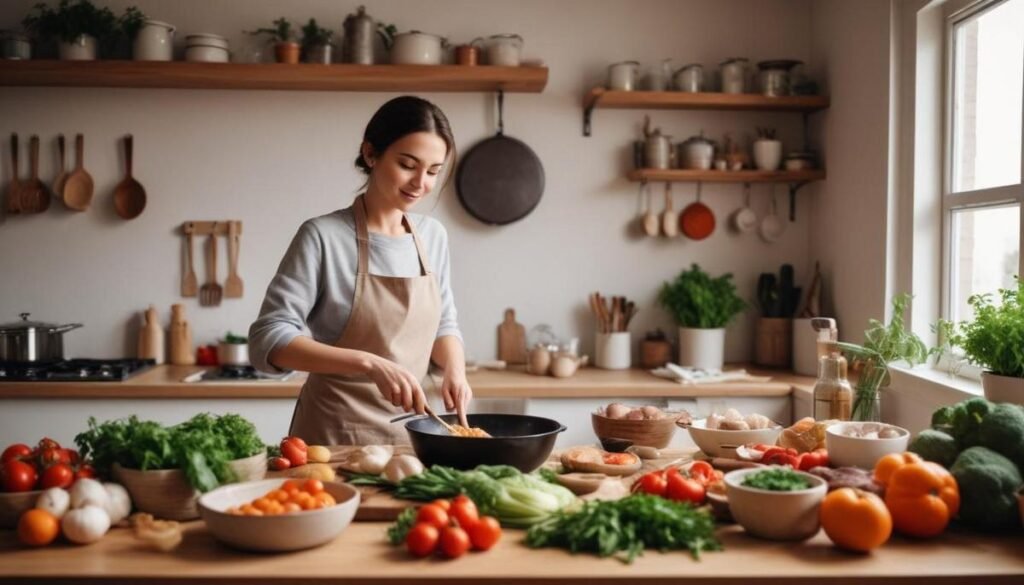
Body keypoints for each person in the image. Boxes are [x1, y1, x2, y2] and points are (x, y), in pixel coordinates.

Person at [249, 96, 472, 446]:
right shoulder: (323, 236)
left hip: (412, 437)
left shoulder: (432, 236)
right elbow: (269, 339)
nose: (420, 183)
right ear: (370, 154)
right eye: (407, 164)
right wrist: (369, 363)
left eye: (432, 171)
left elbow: (444, 324)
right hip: (332, 438)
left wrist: (455, 371)